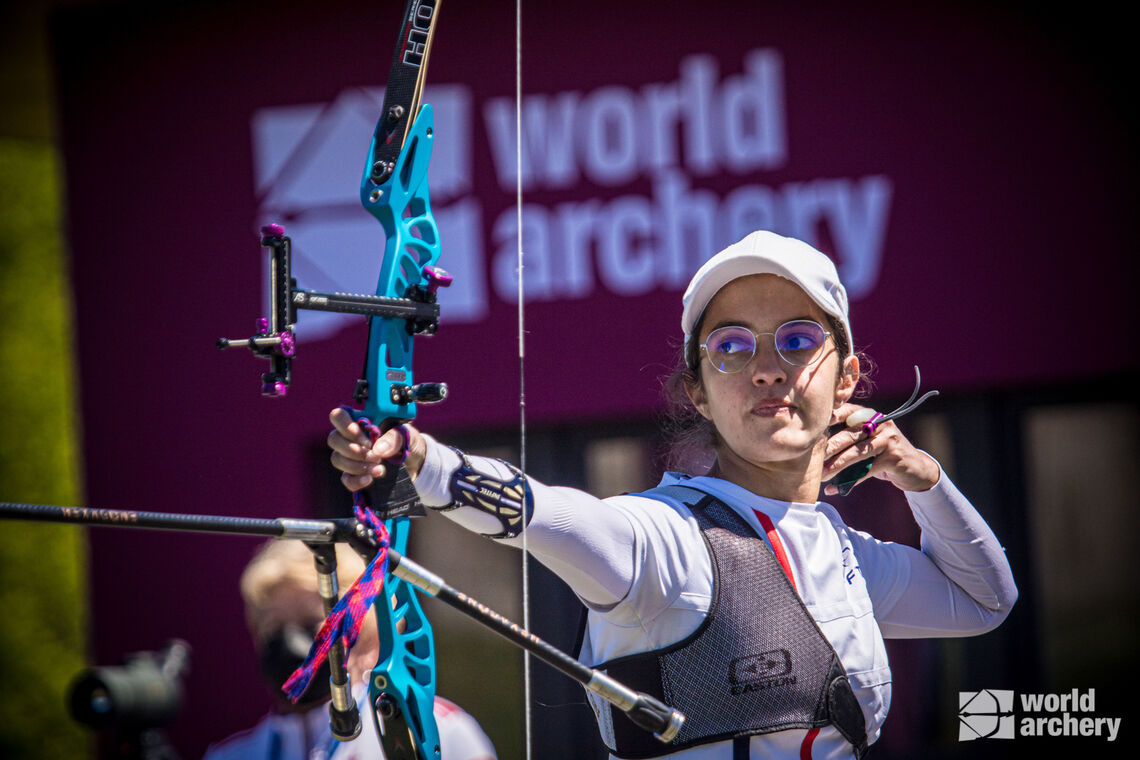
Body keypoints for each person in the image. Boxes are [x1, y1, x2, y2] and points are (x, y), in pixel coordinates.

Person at [327, 230, 1018, 758]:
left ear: (847, 377)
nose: (768, 370)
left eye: (799, 340)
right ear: (698, 391)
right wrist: (420, 460)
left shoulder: (843, 554)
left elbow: (987, 599)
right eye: (732, 346)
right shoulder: (667, 541)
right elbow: (559, 517)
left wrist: (924, 477)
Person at [202, 538, 497, 760]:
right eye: (274, 628)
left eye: (309, 624)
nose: (288, 642)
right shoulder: (231, 755)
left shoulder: (438, 732)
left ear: (368, 638)